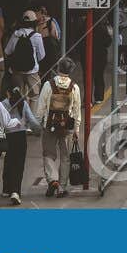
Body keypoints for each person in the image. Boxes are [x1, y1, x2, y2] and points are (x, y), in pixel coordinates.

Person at [37, 59, 83, 198]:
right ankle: (62, 187)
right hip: (67, 126)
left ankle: (52, 179)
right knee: (65, 157)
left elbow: (41, 108)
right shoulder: (74, 87)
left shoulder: (48, 85)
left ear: (57, 68)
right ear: (71, 70)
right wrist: (76, 129)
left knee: (48, 154)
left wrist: (40, 123)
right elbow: (76, 111)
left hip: (49, 125)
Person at [1, 83, 40, 205]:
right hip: (21, 136)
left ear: (8, 93)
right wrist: (37, 131)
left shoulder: (3, 104)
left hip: (8, 136)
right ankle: (15, 191)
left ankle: (6, 188)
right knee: (19, 164)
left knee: (8, 161)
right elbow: (32, 120)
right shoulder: (23, 104)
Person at [4, 9, 44, 103]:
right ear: (34, 22)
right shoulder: (37, 36)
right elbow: (42, 56)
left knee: (18, 97)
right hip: (32, 71)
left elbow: (7, 51)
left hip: (17, 71)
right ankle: (32, 117)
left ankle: (20, 116)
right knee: (34, 96)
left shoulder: (16, 35)